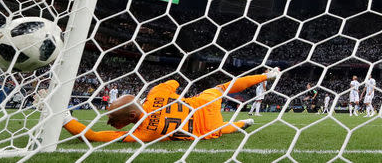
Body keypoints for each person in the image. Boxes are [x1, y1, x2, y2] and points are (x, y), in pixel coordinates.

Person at [62, 68, 281, 142]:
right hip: (204, 103)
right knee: (223, 87)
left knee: (218, 131)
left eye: (113, 118)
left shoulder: (145, 133)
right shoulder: (156, 92)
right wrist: (167, 95)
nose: (110, 122)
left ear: (130, 118)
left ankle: (243, 122)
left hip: (204, 129)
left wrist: (64, 119)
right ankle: (265, 76)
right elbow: (175, 81)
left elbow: (93, 136)